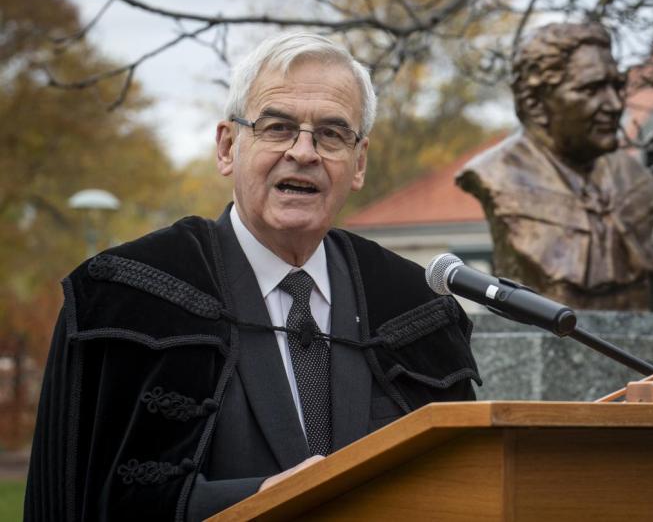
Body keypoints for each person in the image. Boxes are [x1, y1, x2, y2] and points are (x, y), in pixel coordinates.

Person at [25, 32, 479, 522]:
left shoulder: (415, 308)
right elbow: (91, 498)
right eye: (278, 127)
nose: (304, 152)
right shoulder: (126, 298)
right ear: (227, 147)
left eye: (331, 134)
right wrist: (256, 501)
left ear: (359, 162)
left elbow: (465, 487)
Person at [456, 22, 653, 310]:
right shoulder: (498, 177)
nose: (614, 104)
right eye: (591, 89)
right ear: (535, 103)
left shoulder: (638, 183)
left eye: (617, 86)